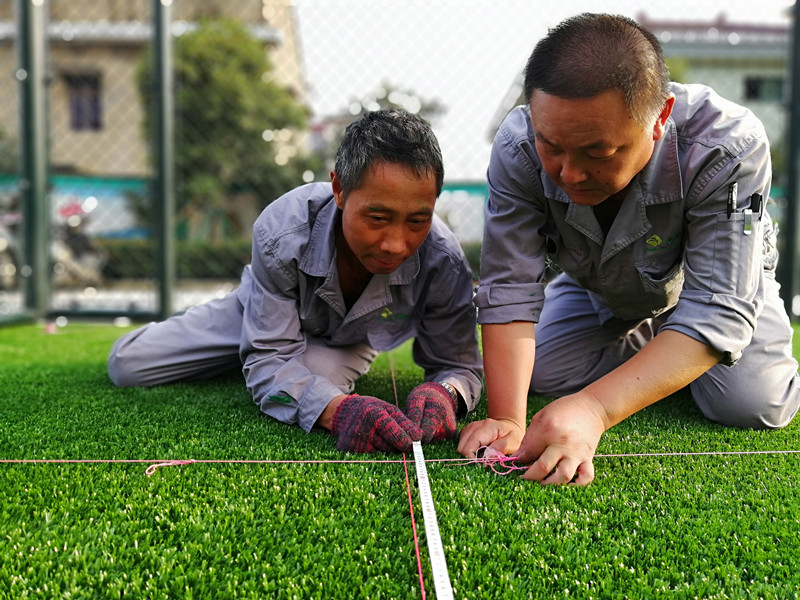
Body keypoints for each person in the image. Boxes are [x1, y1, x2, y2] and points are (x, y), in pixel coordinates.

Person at [457, 13, 800, 485]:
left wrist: (594, 409)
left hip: (714, 286)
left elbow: (717, 309)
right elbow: (509, 287)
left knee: (752, 404)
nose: (569, 174)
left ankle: (677, 354)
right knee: (546, 375)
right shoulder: (517, 148)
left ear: (659, 119)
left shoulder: (727, 144)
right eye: (551, 145)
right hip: (601, 285)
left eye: (597, 153)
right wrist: (510, 421)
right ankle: (665, 352)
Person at [109, 109, 483, 454]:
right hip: (257, 314)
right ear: (338, 189)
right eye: (378, 218)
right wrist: (337, 413)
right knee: (128, 364)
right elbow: (270, 356)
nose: (395, 244)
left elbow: (460, 366)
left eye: (417, 221)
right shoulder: (283, 231)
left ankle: (269, 369)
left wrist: (446, 392)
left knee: (314, 380)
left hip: (350, 341)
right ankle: (245, 357)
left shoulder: (444, 261)